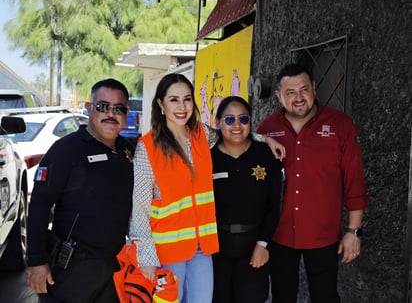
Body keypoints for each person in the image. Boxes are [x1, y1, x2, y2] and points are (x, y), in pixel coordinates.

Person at [129, 73, 285, 303]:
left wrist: (263, 139)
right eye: (174, 100)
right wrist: (147, 257)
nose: (182, 107)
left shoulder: (201, 135)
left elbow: (232, 133)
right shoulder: (147, 148)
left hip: (202, 248)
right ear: (161, 104)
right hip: (167, 250)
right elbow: (140, 207)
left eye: (187, 99)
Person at [256, 63, 369, 303]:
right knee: (282, 297)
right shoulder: (267, 129)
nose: (299, 98)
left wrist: (354, 231)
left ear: (314, 89)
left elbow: (355, 182)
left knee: (325, 297)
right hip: (279, 233)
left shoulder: (340, 126)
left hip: (324, 235)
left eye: (304, 89)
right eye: (290, 92)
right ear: (278, 96)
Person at [26, 78, 135, 302]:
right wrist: (36, 261)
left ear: (126, 113)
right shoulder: (66, 150)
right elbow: (39, 204)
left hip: (114, 271)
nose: (110, 114)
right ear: (89, 108)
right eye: (103, 106)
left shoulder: (131, 152)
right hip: (70, 271)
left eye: (118, 108)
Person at [211, 96, 283, 303]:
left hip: (254, 247)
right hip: (216, 248)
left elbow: (273, 205)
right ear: (217, 122)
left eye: (243, 119)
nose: (237, 125)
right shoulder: (208, 157)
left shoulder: (265, 155)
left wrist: (263, 244)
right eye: (229, 119)